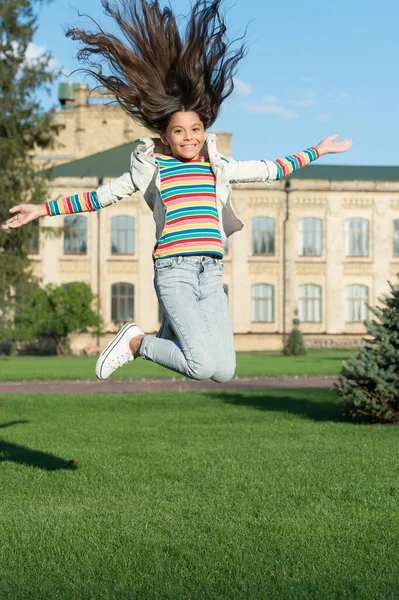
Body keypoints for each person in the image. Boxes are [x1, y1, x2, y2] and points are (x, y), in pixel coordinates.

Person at [2, 0, 352, 382]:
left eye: (196, 129)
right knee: (200, 367)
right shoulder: (153, 168)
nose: (189, 137)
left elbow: (271, 169)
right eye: (180, 131)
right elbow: (101, 195)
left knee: (224, 371)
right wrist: (42, 209)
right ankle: (136, 341)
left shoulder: (219, 168)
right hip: (175, 270)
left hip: (211, 272)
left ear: (205, 131)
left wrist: (317, 150)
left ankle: (164, 334)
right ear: (165, 136)